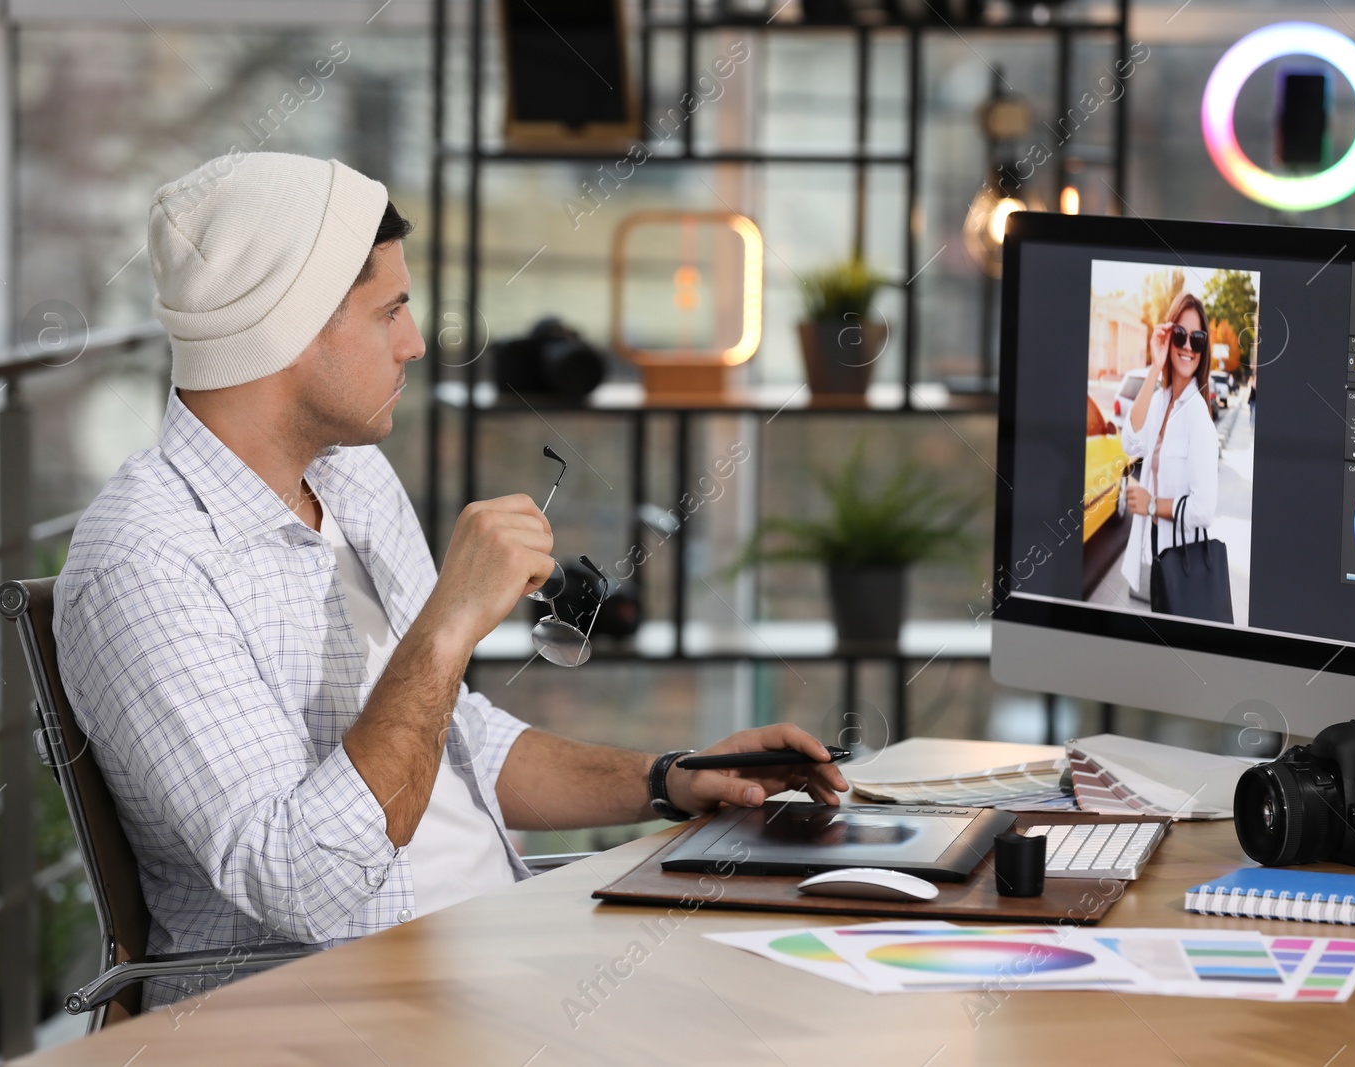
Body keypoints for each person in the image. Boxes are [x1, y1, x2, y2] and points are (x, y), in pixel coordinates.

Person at [53, 153, 848, 1010]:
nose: (416, 341)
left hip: (495, 965)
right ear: (288, 329)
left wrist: (664, 778)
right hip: (349, 1013)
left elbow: (451, 737)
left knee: (810, 966)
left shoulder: (351, 478)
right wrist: (447, 624)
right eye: (390, 311)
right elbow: (306, 883)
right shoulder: (146, 565)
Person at [1119, 291, 1219, 603]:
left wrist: (1151, 505)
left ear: (1203, 349)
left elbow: (1203, 510)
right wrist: (1155, 365)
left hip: (1182, 562)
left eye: (1197, 339)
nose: (1188, 346)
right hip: (1156, 553)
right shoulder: (1163, 402)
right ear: (1169, 338)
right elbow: (1131, 441)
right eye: (1180, 335)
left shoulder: (1198, 415)